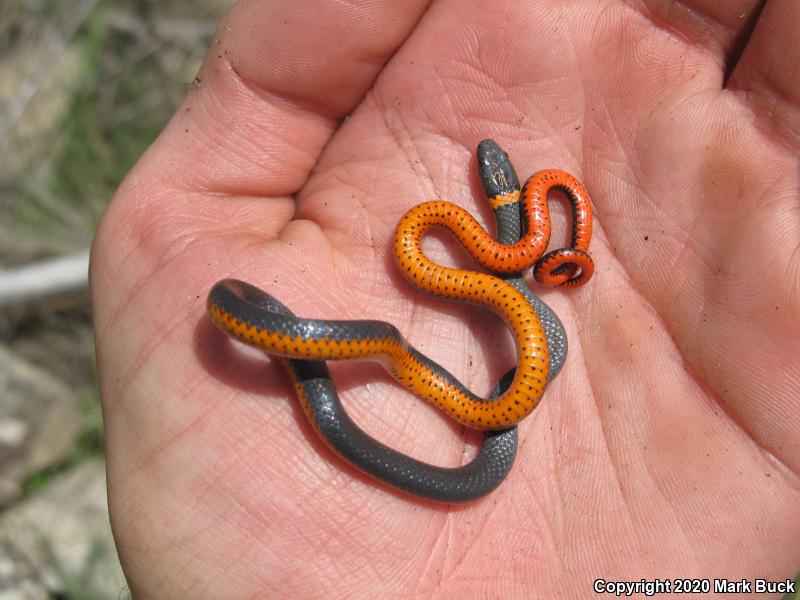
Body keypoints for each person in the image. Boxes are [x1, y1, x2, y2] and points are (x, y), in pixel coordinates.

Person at [90, 1, 800, 597]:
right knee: (421, 346)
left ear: (504, 200)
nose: (490, 168)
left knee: (476, 349)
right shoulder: (496, 259)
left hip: (504, 317)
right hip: (492, 318)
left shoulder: (517, 263)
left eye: (496, 176)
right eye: (496, 175)